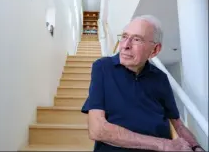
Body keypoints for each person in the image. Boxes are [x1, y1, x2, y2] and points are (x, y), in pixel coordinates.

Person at [81, 15, 205, 152]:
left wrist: (196, 147)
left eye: (136, 39)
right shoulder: (102, 67)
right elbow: (97, 129)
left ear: (155, 50)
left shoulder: (161, 78)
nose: (125, 46)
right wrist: (164, 144)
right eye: (124, 36)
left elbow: (178, 124)